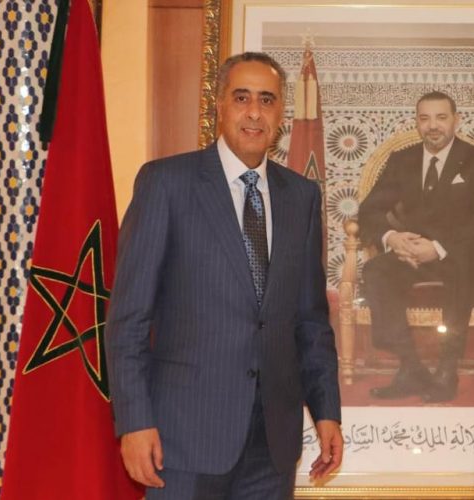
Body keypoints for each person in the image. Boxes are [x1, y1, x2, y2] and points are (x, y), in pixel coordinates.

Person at [105, 52, 342, 499]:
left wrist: (327, 411)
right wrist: (134, 421)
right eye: (242, 97)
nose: (254, 112)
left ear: (281, 113)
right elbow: (128, 319)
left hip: (271, 446)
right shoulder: (166, 183)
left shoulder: (302, 197)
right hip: (182, 440)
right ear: (219, 105)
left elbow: (311, 321)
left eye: (267, 100)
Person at [358, 91, 474, 403]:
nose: (433, 126)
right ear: (417, 123)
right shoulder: (403, 160)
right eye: (424, 118)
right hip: (414, 253)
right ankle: (410, 366)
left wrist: (437, 248)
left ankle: (447, 370)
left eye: (441, 117)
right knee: (375, 270)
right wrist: (392, 238)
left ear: (456, 120)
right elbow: (369, 210)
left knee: (461, 267)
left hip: (464, 252)